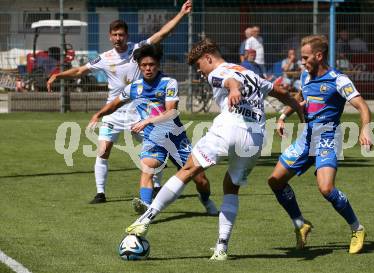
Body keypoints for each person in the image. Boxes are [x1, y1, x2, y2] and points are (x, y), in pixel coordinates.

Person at [124, 38, 304, 260]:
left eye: (199, 66)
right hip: (255, 139)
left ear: (208, 58)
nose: (200, 72)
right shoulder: (251, 73)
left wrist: (234, 88)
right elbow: (279, 92)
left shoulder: (218, 71)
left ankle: (145, 220)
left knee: (188, 169)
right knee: (231, 186)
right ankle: (221, 248)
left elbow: (228, 80)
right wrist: (297, 108)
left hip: (230, 128)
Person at [47, 1, 194, 204]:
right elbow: (80, 71)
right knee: (103, 149)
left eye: (121, 35)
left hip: (140, 112)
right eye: (114, 35)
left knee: (156, 147)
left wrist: (181, 14)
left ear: (127, 36)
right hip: (115, 111)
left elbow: (162, 34)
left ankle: (157, 186)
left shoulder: (138, 50)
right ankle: (100, 193)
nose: (118, 38)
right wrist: (58, 75)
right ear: (110, 36)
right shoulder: (104, 58)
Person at [267, 35, 371, 254]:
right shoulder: (306, 76)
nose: (302, 62)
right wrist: (283, 115)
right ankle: (300, 224)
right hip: (306, 138)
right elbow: (301, 98)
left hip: (327, 138)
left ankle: (357, 228)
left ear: (318, 56)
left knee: (326, 189)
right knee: (275, 181)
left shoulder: (339, 80)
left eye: (305, 58)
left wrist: (365, 130)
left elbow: (362, 106)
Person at [87, 44, 218, 215]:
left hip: (176, 139)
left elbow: (172, 112)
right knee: (147, 168)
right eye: (144, 65)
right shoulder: (134, 88)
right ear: (139, 66)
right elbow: (114, 104)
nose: (148, 68)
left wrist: (148, 120)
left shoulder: (168, 83)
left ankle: (206, 200)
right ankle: (146, 210)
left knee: (200, 179)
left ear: (158, 65)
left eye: (152, 65)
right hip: (153, 139)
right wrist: (98, 115)